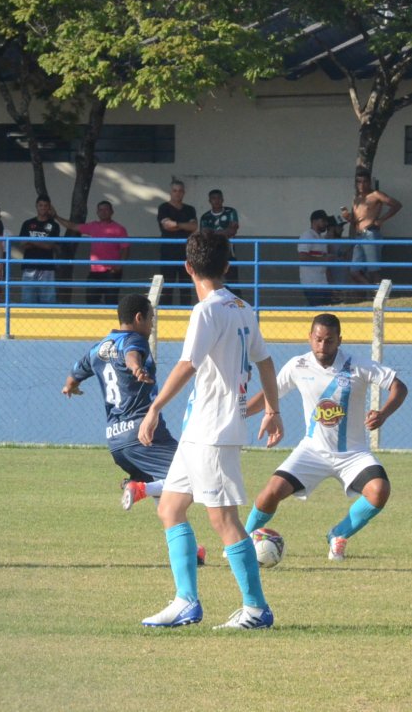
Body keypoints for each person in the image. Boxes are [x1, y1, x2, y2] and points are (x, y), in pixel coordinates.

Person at [137, 230, 284, 631]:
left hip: (212, 432)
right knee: (170, 508)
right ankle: (186, 602)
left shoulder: (205, 311)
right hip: (197, 431)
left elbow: (187, 365)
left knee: (224, 520)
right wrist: (272, 407)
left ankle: (257, 609)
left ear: (188, 267)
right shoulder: (242, 307)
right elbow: (266, 363)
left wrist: (154, 408)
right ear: (227, 265)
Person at [241, 314, 407, 561]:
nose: (322, 346)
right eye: (317, 339)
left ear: (339, 340)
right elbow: (269, 394)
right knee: (269, 493)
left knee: (379, 491)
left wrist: (383, 413)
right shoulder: (298, 365)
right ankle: (241, 543)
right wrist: (238, 413)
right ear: (309, 337)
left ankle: (338, 535)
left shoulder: (358, 365)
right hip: (312, 452)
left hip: (353, 454)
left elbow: (399, 386)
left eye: (329, 341)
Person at [62, 294, 181, 515]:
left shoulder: (97, 349)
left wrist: (70, 387)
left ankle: (185, 550)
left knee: (163, 493)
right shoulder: (134, 339)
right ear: (138, 318)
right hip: (143, 432)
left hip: (116, 441)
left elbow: (75, 373)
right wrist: (136, 368)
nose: (152, 325)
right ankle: (139, 488)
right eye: (151, 319)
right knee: (191, 475)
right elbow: (131, 355)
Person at [52, 200, 130, 306]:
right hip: (94, 272)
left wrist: (119, 266)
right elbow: (72, 226)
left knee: (111, 302)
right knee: (91, 301)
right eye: (100, 210)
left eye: (106, 209)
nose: (103, 212)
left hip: (111, 272)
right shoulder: (93, 226)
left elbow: (125, 248)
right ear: (97, 212)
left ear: (112, 212)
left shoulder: (119, 229)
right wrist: (56, 216)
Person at [340, 168, 402, 286]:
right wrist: (348, 217)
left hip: (370, 233)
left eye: (364, 182)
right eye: (359, 182)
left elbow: (396, 205)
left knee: (374, 270)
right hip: (359, 236)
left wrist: (382, 220)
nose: (361, 185)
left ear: (369, 183)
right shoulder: (357, 199)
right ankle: (374, 293)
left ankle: (379, 296)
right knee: (354, 271)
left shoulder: (376, 195)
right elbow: (356, 221)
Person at [157, 178, 197, 306]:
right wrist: (184, 225)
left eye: (180, 191)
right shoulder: (163, 208)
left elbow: (194, 227)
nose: (177, 193)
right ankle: (165, 311)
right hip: (168, 251)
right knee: (167, 284)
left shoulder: (190, 209)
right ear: (170, 192)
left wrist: (176, 225)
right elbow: (166, 225)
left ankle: (186, 310)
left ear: (183, 192)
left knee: (185, 285)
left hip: (186, 251)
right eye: (175, 191)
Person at [199, 189, 243, 300]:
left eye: (219, 198)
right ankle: (212, 303)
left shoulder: (231, 212)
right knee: (212, 281)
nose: (216, 200)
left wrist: (212, 233)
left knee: (233, 282)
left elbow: (232, 231)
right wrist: (223, 232)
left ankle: (239, 306)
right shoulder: (205, 217)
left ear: (223, 199)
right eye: (213, 198)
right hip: (211, 253)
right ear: (209, 201)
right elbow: (204, 235)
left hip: (228, 252)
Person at [19, 196, 61, 304]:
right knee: (28, 299)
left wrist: (31, 241)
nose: (43, 208)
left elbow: (49, 246)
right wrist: (41, 243)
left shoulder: (54, 225)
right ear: (36, 206)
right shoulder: (27, 223)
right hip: (29, 266)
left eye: (45, 205)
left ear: (49, 207)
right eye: (40, 205)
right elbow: (22, 244)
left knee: (47, 300)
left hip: (46, 267)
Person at [298, 210, 334, 307]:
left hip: (323, 282)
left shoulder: (321, 239)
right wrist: (322, 259)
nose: (326, 224)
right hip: (311, 283)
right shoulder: (307, 236)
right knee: (317, 309)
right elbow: (302, 256)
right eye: (323, 221)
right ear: (314, 221)